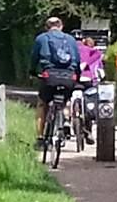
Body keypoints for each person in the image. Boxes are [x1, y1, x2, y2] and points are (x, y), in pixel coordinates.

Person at [30, 17, 82, 148]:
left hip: (50, 76)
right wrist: (77, 76)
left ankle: (40, 138)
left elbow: (34, 58)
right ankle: (65, 120)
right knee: (66, 100)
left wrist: (32, 72)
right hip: (69, 76)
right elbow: (77, 60)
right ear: (61, 26)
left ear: (46, 27)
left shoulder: (41, 39)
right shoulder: (71, 39)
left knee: (42, 104)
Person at [76, 36, 105, 145]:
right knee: (88, 104)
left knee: (68, 97)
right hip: (90, 80)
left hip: (74, 79)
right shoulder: (93, 53)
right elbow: (101, 70)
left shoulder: (75, 49)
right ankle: (88, 131)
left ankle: (66, 121)